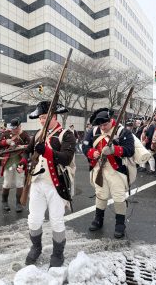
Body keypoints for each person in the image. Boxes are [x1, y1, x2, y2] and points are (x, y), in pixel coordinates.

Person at [17, 101, 76, 267]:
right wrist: (23, 161)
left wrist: (48, 151)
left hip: (56, 184)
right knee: (34, 219)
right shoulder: (38, 134)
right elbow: (28, 151)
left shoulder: (66, 135)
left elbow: (66, 158)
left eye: (45, 117)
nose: (42, 121)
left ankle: (58, 254)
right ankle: (36, 247)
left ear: (54, 117)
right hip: (37, 182)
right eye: (41, 118)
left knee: (56, 220)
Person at [82, 108, 135, 238]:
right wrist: (91, 153)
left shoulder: (123, 132)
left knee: (118, 197)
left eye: (105, 125)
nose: (103, 128)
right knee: (100, 194)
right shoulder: (93, 132)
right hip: (98, 168)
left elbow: (130, 150)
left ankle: (120, 224)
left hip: (116, 170)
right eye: (100, 125)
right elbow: (85, 146)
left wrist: (114, 150)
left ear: (111, 120)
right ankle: (98, 219)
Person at [0, 117, 30, 213]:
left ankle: (18, 203)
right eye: (13, 128)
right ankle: (4, 201)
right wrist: (6, 141)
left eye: (16, 128)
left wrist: (22, 147)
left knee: (19, 183)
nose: (14, 130)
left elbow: (30, 146)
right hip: (8, 162)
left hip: (20, 162)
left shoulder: (24, 134)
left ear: (19, 126)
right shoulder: (6, 134)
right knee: (7, 183)